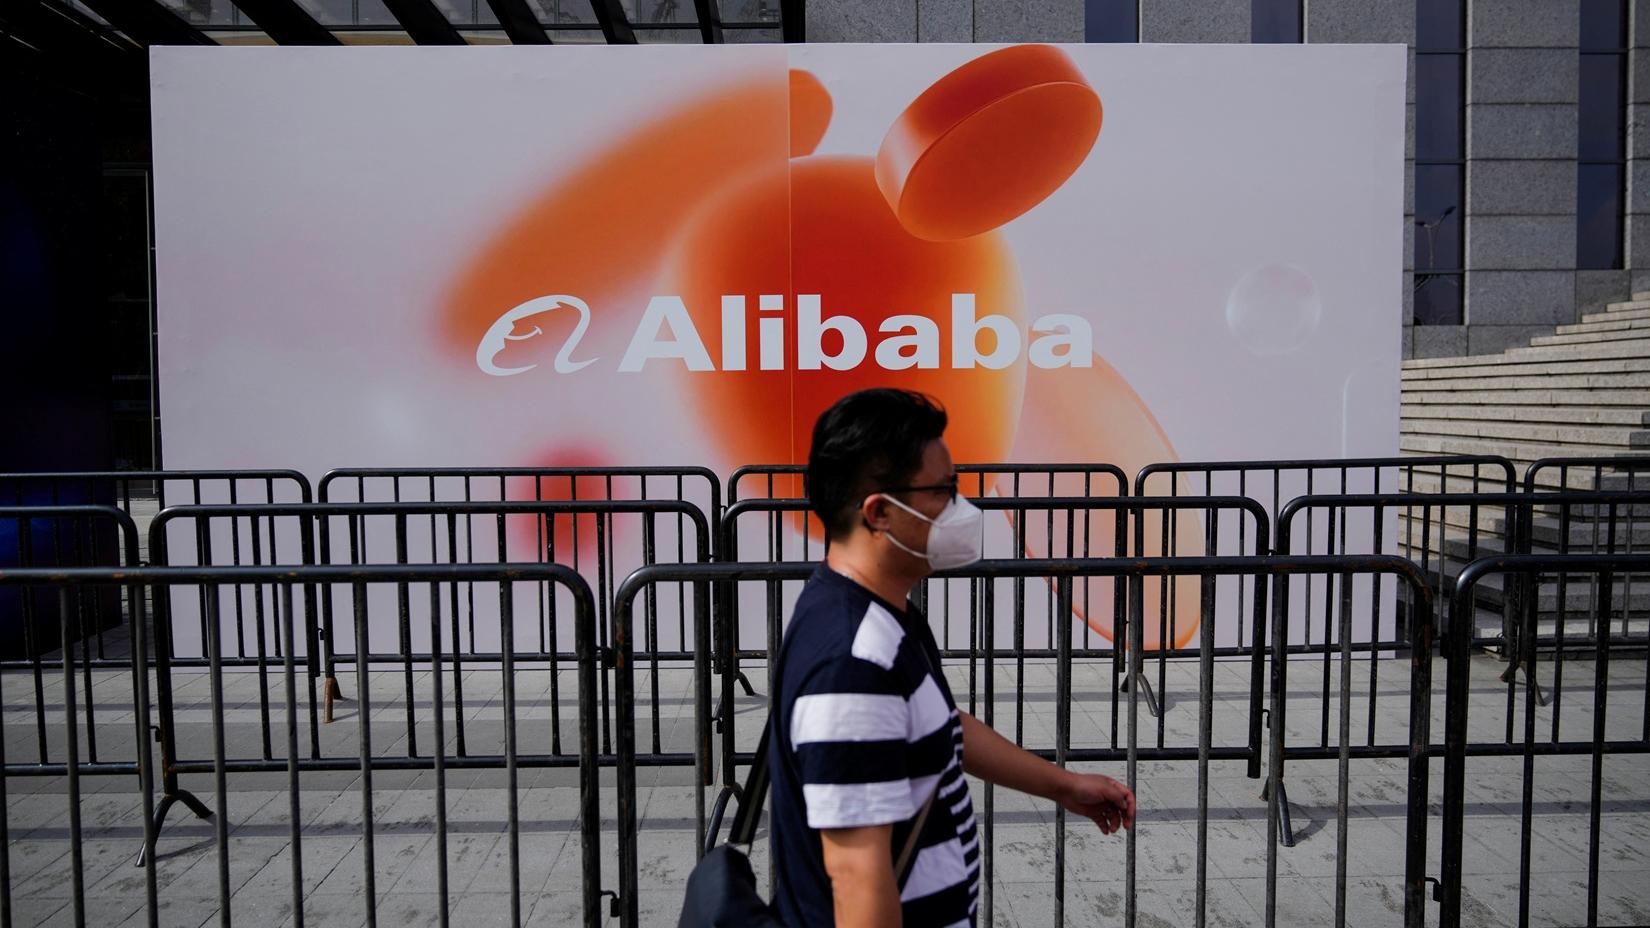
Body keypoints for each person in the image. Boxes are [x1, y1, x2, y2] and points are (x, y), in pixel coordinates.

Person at [768, 388, 1136, 928]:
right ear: (880, 512)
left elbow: (939, 726)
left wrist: (1064, 785)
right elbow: (858, 882)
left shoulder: (883, 617)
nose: (961, 509)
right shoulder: (853, 665)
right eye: (943, 491)